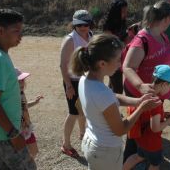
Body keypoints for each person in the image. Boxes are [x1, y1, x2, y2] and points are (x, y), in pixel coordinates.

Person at [70, 34, 161, 170]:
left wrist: (138, 101)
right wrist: (141, 108)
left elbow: (112, 98)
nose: (120, 65)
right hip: (105, 152)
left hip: (92, 143)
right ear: (102, 64)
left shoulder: (86, 78)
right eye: (118, 60)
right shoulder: (101, 92)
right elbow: (121, 130)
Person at [0, 9, 36, 169]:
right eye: (16, 31)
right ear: (0, 31)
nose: (20, 36)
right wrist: (14, 134)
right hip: (3, 133)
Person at [122, 0, 170, 162]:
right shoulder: (143, 39)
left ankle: (143, 157)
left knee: (148, 131)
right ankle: (129, 162)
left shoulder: (162, 35)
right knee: (135, 133)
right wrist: (141, 86)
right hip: (140, 94)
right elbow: (128, 67)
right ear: (167, 18)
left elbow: (168, 60)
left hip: (155, 94)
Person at [123, 65, 170, 170]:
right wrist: (169, 121)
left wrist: (164, 114)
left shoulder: (145, 93)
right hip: (152, 143)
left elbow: (148, 114)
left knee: (138, 156)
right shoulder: (156, 102)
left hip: (141, 138)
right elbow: (155, 128)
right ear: (164, 84)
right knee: (155, 164)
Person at [60, 9, 92, 158]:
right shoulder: (70, 40)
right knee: (73, 113)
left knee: (83, 111)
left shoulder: (91, 36)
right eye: (79, 25)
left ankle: (82, 134)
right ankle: (65, 145)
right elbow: (63, 65)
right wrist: (68, 85)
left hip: (85, 80)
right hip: (72, 81)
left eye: (86, 24)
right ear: (74, 25)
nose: (83, 27)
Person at [16, 68, 43, 159]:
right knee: (24, 155)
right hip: (19, 130)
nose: (22, 83)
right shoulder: (13, 97)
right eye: (19, 81)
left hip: (27, 127)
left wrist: (35, 102)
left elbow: (24, 106)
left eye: (23, 80)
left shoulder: (21, 93)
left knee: (34, 151)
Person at [103, 0, 128, 94]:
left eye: (126, 11)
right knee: (118, 89)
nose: (125, 14)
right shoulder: (108, 25)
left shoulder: (122, 22)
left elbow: (124, 38)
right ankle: (112, 107)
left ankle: (106, 103)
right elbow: (113, 43)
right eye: (123, 12)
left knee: (112, 85)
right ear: (116, 12)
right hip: (112, 58)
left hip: (120, 56)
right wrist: (125, 41)